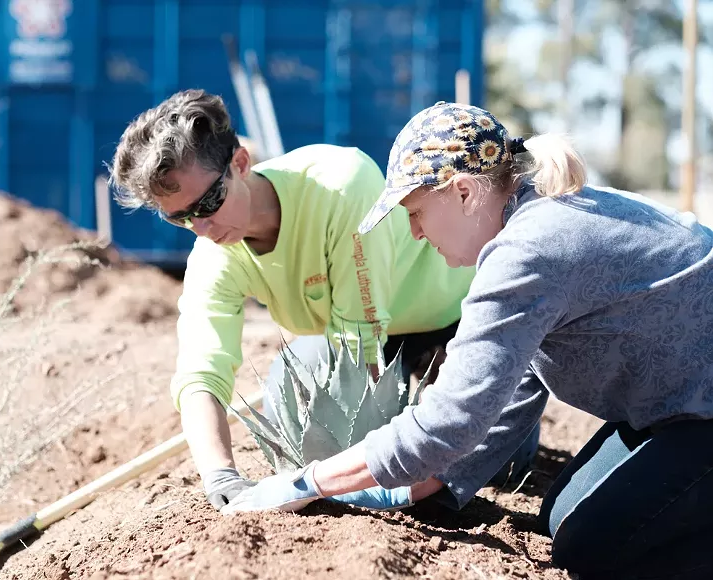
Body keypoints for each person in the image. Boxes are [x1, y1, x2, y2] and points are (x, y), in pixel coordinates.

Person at [220, 101, 713, 579]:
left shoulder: (530, 248)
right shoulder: (532, 213)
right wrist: (429, 485)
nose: (413, 233)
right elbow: (511, 392)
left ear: (462, 193)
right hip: (675, 407)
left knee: (593, 548)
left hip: (699, 410)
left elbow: (449, 419)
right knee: (559, 518)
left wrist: (309, 482)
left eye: (415, 212)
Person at [109, 90, 540, 512]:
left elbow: (359, 344)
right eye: (179, 217)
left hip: (450, 323)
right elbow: (201, 373)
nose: (200, 226)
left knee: (497, 460)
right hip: (369, 341)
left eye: (208, 203)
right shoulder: (213, 256)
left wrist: (369, 470)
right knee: (289, 383)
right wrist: (220, 476)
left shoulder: (339, 186)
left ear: (240, 164)